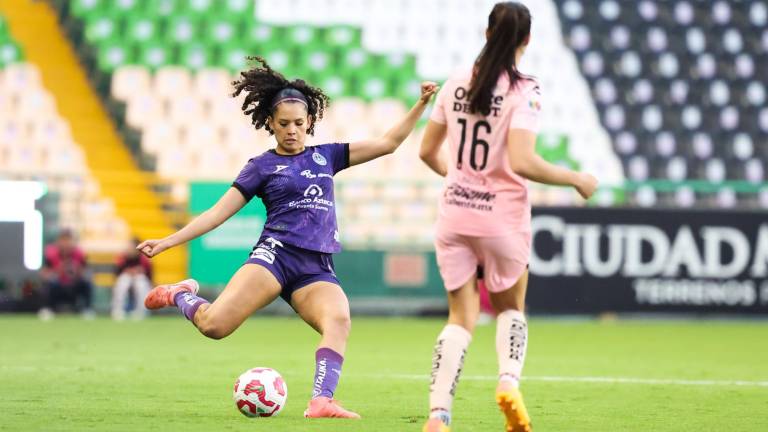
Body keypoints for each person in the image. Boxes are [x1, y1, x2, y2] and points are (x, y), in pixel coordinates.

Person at [137, 56, 438, 420]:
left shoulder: (328, 156)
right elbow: (217, 213)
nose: (292, 130)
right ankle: (180, 294)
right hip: (275, 257)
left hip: (316, 267)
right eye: (284, 124)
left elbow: (389, 143)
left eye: (298, 123)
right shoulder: (261, 166)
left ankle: (321, 401)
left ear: (310, 122)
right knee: (214, 326)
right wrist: (169, 241)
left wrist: (421, 104)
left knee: (339, 320)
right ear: (270, 124)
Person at [418, 3, 598, 431]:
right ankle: (508, 382)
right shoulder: (525, 90)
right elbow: (522, 160)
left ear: (486, 33)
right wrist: (575, 178)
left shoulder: (455, 82)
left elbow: (426, 152)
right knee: (510, 308)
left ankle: (438, 416)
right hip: (502, 218)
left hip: (455, 214)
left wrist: (459, 178)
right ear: (527, 41)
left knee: (460, 317)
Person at [38, 228, 94, 320]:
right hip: (58, 285)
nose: (66, 243)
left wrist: (77, 271)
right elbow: (44, 273)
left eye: (68, 240)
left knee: (87, 283)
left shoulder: (79, 254)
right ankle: (47, 309)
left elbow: (88, 273)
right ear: (58, 241)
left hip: (74, 285)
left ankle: (87, 309)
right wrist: (57, 271)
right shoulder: (51, 254)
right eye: (63, 240)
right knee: (49, 283)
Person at [111, 238, 153, 320]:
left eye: (132, 247)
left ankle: (141, 311)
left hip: (139, 279)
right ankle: (118, 310)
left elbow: (149, 275)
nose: (130, 248)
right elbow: (116, 272)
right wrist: (128, 271)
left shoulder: (144, 258)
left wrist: (139, 271)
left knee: (141, 283)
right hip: (126, 278)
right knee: (123, 282)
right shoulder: (122, 256)